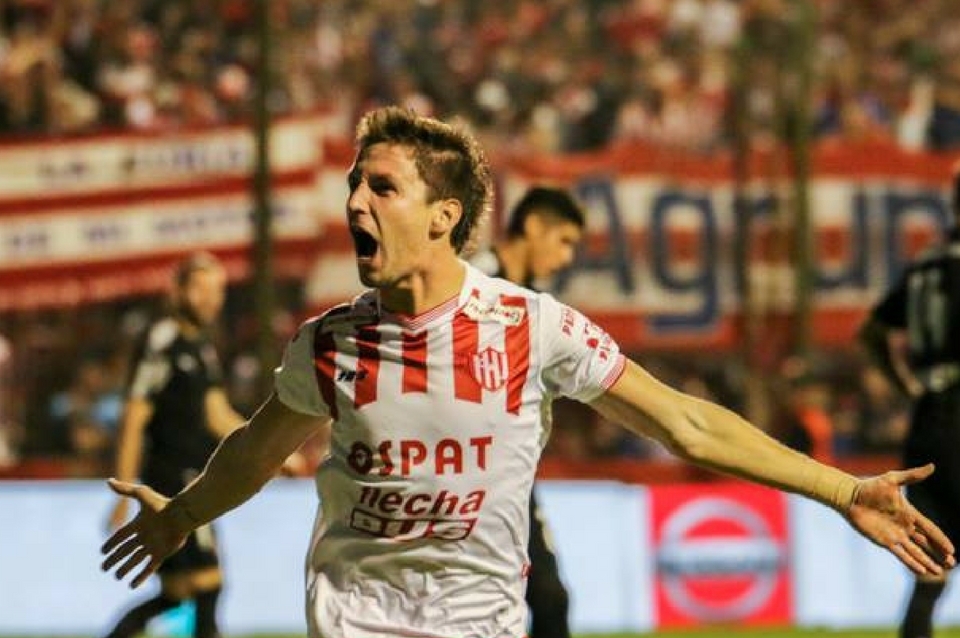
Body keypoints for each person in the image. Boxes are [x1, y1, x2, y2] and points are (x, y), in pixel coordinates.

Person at [102, 106, 954, 638]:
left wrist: (843, 490)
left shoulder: (530, 326)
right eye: (355, 186)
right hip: (355, 622)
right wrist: (182, 515)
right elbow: (255, 451)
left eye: (382, 189)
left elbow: (686, 422)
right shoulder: (329, 344)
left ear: (443, 216)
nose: (355, 203)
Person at [102, 252, 245, 638]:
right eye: (201, 289)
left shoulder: (201, 347)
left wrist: (273, 447)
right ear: (178, 291)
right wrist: (123, 491)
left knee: (178, 591)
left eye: (217, 291)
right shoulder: (161, 340)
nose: (210, 299)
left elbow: (218, 415)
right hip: (171, 479)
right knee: (208, 583)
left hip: (195, 478)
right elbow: (134, 415)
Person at [471, 185, 584, 638]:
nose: (567, 257)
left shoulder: (536, 305)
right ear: (534, 226)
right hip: (464, 474)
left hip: (512, 479)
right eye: (564, 241)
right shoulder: (473, 282)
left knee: (550, 598)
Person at [858, 167, 960, 638]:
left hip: (929, 419)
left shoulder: (926, 265)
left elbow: (872, 331)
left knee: (931, 566)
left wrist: (906, 386)